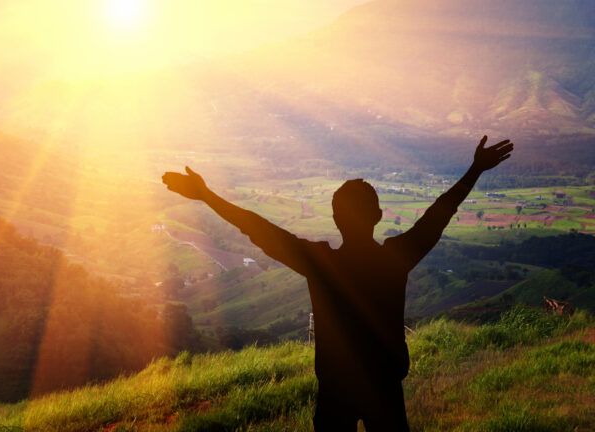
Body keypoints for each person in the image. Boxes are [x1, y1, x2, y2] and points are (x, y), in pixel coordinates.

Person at [162, 136, 513, 431]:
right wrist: (474, 170)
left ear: (335, 218)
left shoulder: (322, 264)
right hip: (385, 387)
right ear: (378, 216)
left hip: (335, 389)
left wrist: (207, 196)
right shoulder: (394, 258)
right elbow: (439, 214)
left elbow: (256, 227)